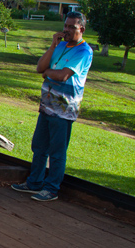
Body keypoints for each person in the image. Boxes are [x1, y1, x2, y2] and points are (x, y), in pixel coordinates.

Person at [11, 12, 92, 202]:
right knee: (39, 146)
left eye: (72, 27)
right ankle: (34, 182)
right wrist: (53, 45)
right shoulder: (60, 45)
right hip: (46, 106)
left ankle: (52, 188)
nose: (67, 30)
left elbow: (63, 75)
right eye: (66, 25)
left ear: (82, 29)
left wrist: (48, 73)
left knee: (57, 151)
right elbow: (40, 67)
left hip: (64, 110)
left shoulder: (84, 51)